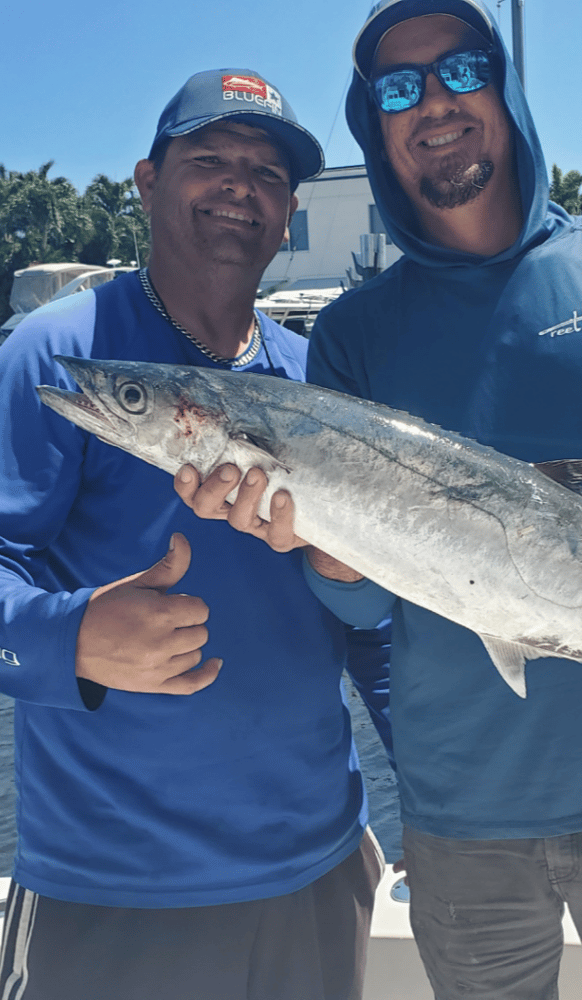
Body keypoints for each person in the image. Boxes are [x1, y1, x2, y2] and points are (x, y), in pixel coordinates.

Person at [178, 5, 582, 998]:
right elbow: (362, 604)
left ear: (505, 87)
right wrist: (327, 541)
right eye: (398, 87)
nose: (432, 101)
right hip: (458, 812)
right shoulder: (353, 334)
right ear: (373, 123)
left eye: (458, 68)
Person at [0, 69, 391, 1000]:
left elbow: (372, 621)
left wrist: (431, 788)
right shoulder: (59, 355)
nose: (238, 185)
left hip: (320, 866)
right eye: (209, 159)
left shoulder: (320, 378)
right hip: (116, 889)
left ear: (288, 207)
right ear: (146, 181)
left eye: (266, 172)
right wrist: (72, 638)